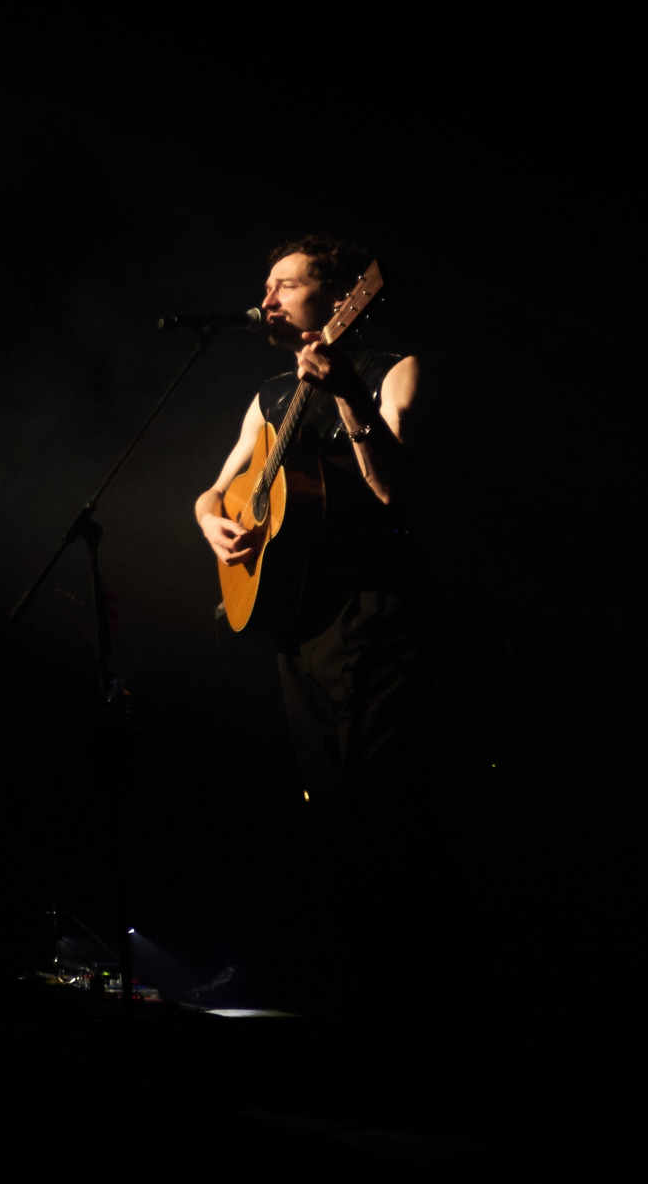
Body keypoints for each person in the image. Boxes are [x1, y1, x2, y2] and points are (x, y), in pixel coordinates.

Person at [193, 236, 429, 1012]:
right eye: (265, 284)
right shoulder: (267, 395)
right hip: (296, 624)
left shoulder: (393, 366)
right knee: (322, 813)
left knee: (376, 813)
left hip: (368, 619)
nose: (267, 295)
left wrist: (351, 393)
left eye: (285, 284)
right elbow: (217, 489)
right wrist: (209, 522)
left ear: (338, 299)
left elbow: (396, 492)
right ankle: (336, 992)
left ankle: (396, 995)